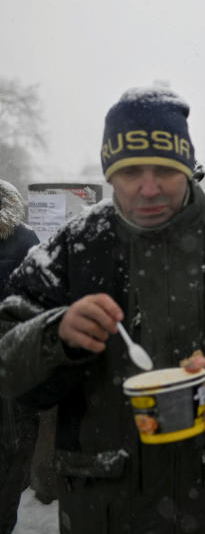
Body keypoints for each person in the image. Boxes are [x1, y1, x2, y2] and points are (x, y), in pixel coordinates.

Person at [0, 87, 205, 534]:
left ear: (189, 168)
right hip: (110, 512)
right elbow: (8, 356)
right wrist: (55, 335)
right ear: (109, 173)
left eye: (166, 171)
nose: (149, 187)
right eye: (132, 171)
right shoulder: (74, 249)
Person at [0, 179, 40, 534]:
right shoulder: (26, 239)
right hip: (17, 350)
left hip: (15, 347)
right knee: (16, 451)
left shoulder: (26, 241)